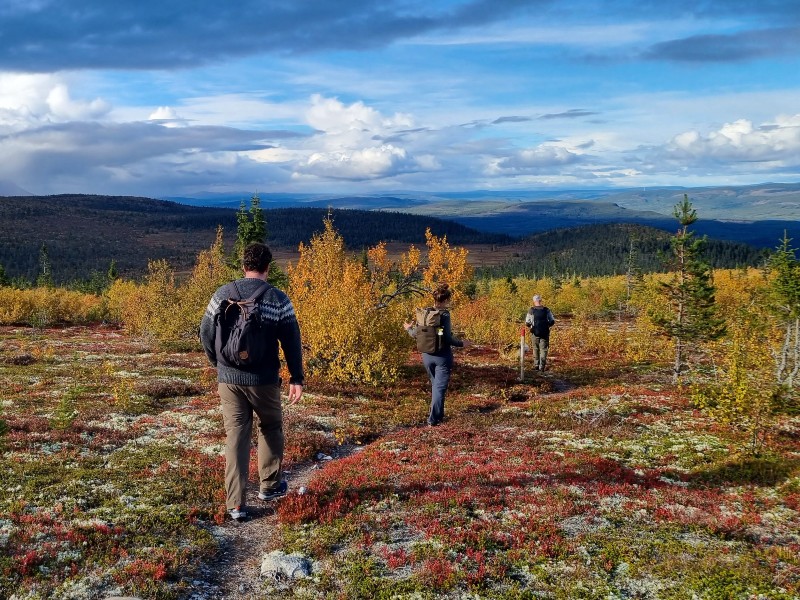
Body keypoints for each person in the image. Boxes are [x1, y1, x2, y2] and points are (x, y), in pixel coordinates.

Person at [200, 242, 304, 521]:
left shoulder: (221, 294)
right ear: (268, 267)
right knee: (270, 427)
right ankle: (269, 486)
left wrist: (219, 365)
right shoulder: (277, 299)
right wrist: (297, 377)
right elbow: (292, 341)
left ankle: (235, 504)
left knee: (236, 435)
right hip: (264, 380)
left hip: (228, 378)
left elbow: (205, 333)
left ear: (243, 265)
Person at [404, 283, 471, 426]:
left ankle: (438, 417)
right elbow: (447, 338)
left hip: (426, 356)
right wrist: (461, 343)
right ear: (446, 300)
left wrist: (408, 329)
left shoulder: (426, 314)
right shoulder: (444, 315)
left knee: (436, 386)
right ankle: (432, 420)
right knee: (439, 388)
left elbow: (415, 334)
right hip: (442, 356)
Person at [525, 294, 556, 371]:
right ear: (540, 300)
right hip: (545, 333)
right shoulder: (546, 310)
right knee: (544, 349)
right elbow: (552, 321)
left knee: (535, 349)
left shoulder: (531, 310)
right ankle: (542, 367)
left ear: (534, 301)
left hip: (534, 333)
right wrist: (546, 326)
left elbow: (527, 322)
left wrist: (532, 327)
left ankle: (536, 365)